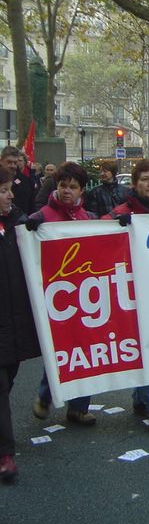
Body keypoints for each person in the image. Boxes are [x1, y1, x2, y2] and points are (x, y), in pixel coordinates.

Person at [104, 160, 149, 431]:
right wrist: (115, 226)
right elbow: (96, 236)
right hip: (131, 291)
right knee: (145, 344)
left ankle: (147, 400)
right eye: (145, 179)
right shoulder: (120, 212)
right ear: (134, 184)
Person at [26, 162, 97, 424]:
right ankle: (46, 395)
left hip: (86, 295)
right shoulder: (41, 218)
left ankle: (79, 407)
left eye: (73, 187)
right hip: (56, 296)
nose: (67, 191)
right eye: (63, 186)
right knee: (61, 350)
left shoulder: (88, 219)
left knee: (87, 351)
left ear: (81, 190)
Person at [0, 167, 41, 482]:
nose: (9, 195)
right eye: (2, 190)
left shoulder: (18, 222)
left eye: (8, 189)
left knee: (8, 379)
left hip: (13, 321)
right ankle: (5, 453)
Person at [1, 146, 35, 214]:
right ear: (1, 161)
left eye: (15, 163)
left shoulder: (26, 181)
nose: (13, 165)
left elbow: (31, 205)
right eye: (9, 162)